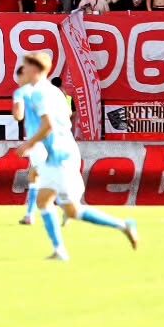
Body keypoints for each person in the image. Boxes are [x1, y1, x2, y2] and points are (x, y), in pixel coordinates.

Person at [14, 50, 138, 261]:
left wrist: (29, 143)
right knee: (45, 201)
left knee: (72, 211)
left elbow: (49, 125)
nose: (21, 71)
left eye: (25, 67)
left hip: (60, 154)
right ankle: (60, 250)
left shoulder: (40, 93)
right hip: (56, 153)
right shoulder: (53, 92)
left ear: (34, 70)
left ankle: (124, 225)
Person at [11, 62, 45, 226]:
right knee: (42, 174)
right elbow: (67, 113)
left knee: (36, 175)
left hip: (39, 138)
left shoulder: (22, 92)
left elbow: (18, 115)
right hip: (61, 137)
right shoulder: (52, 91)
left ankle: (31, 214)